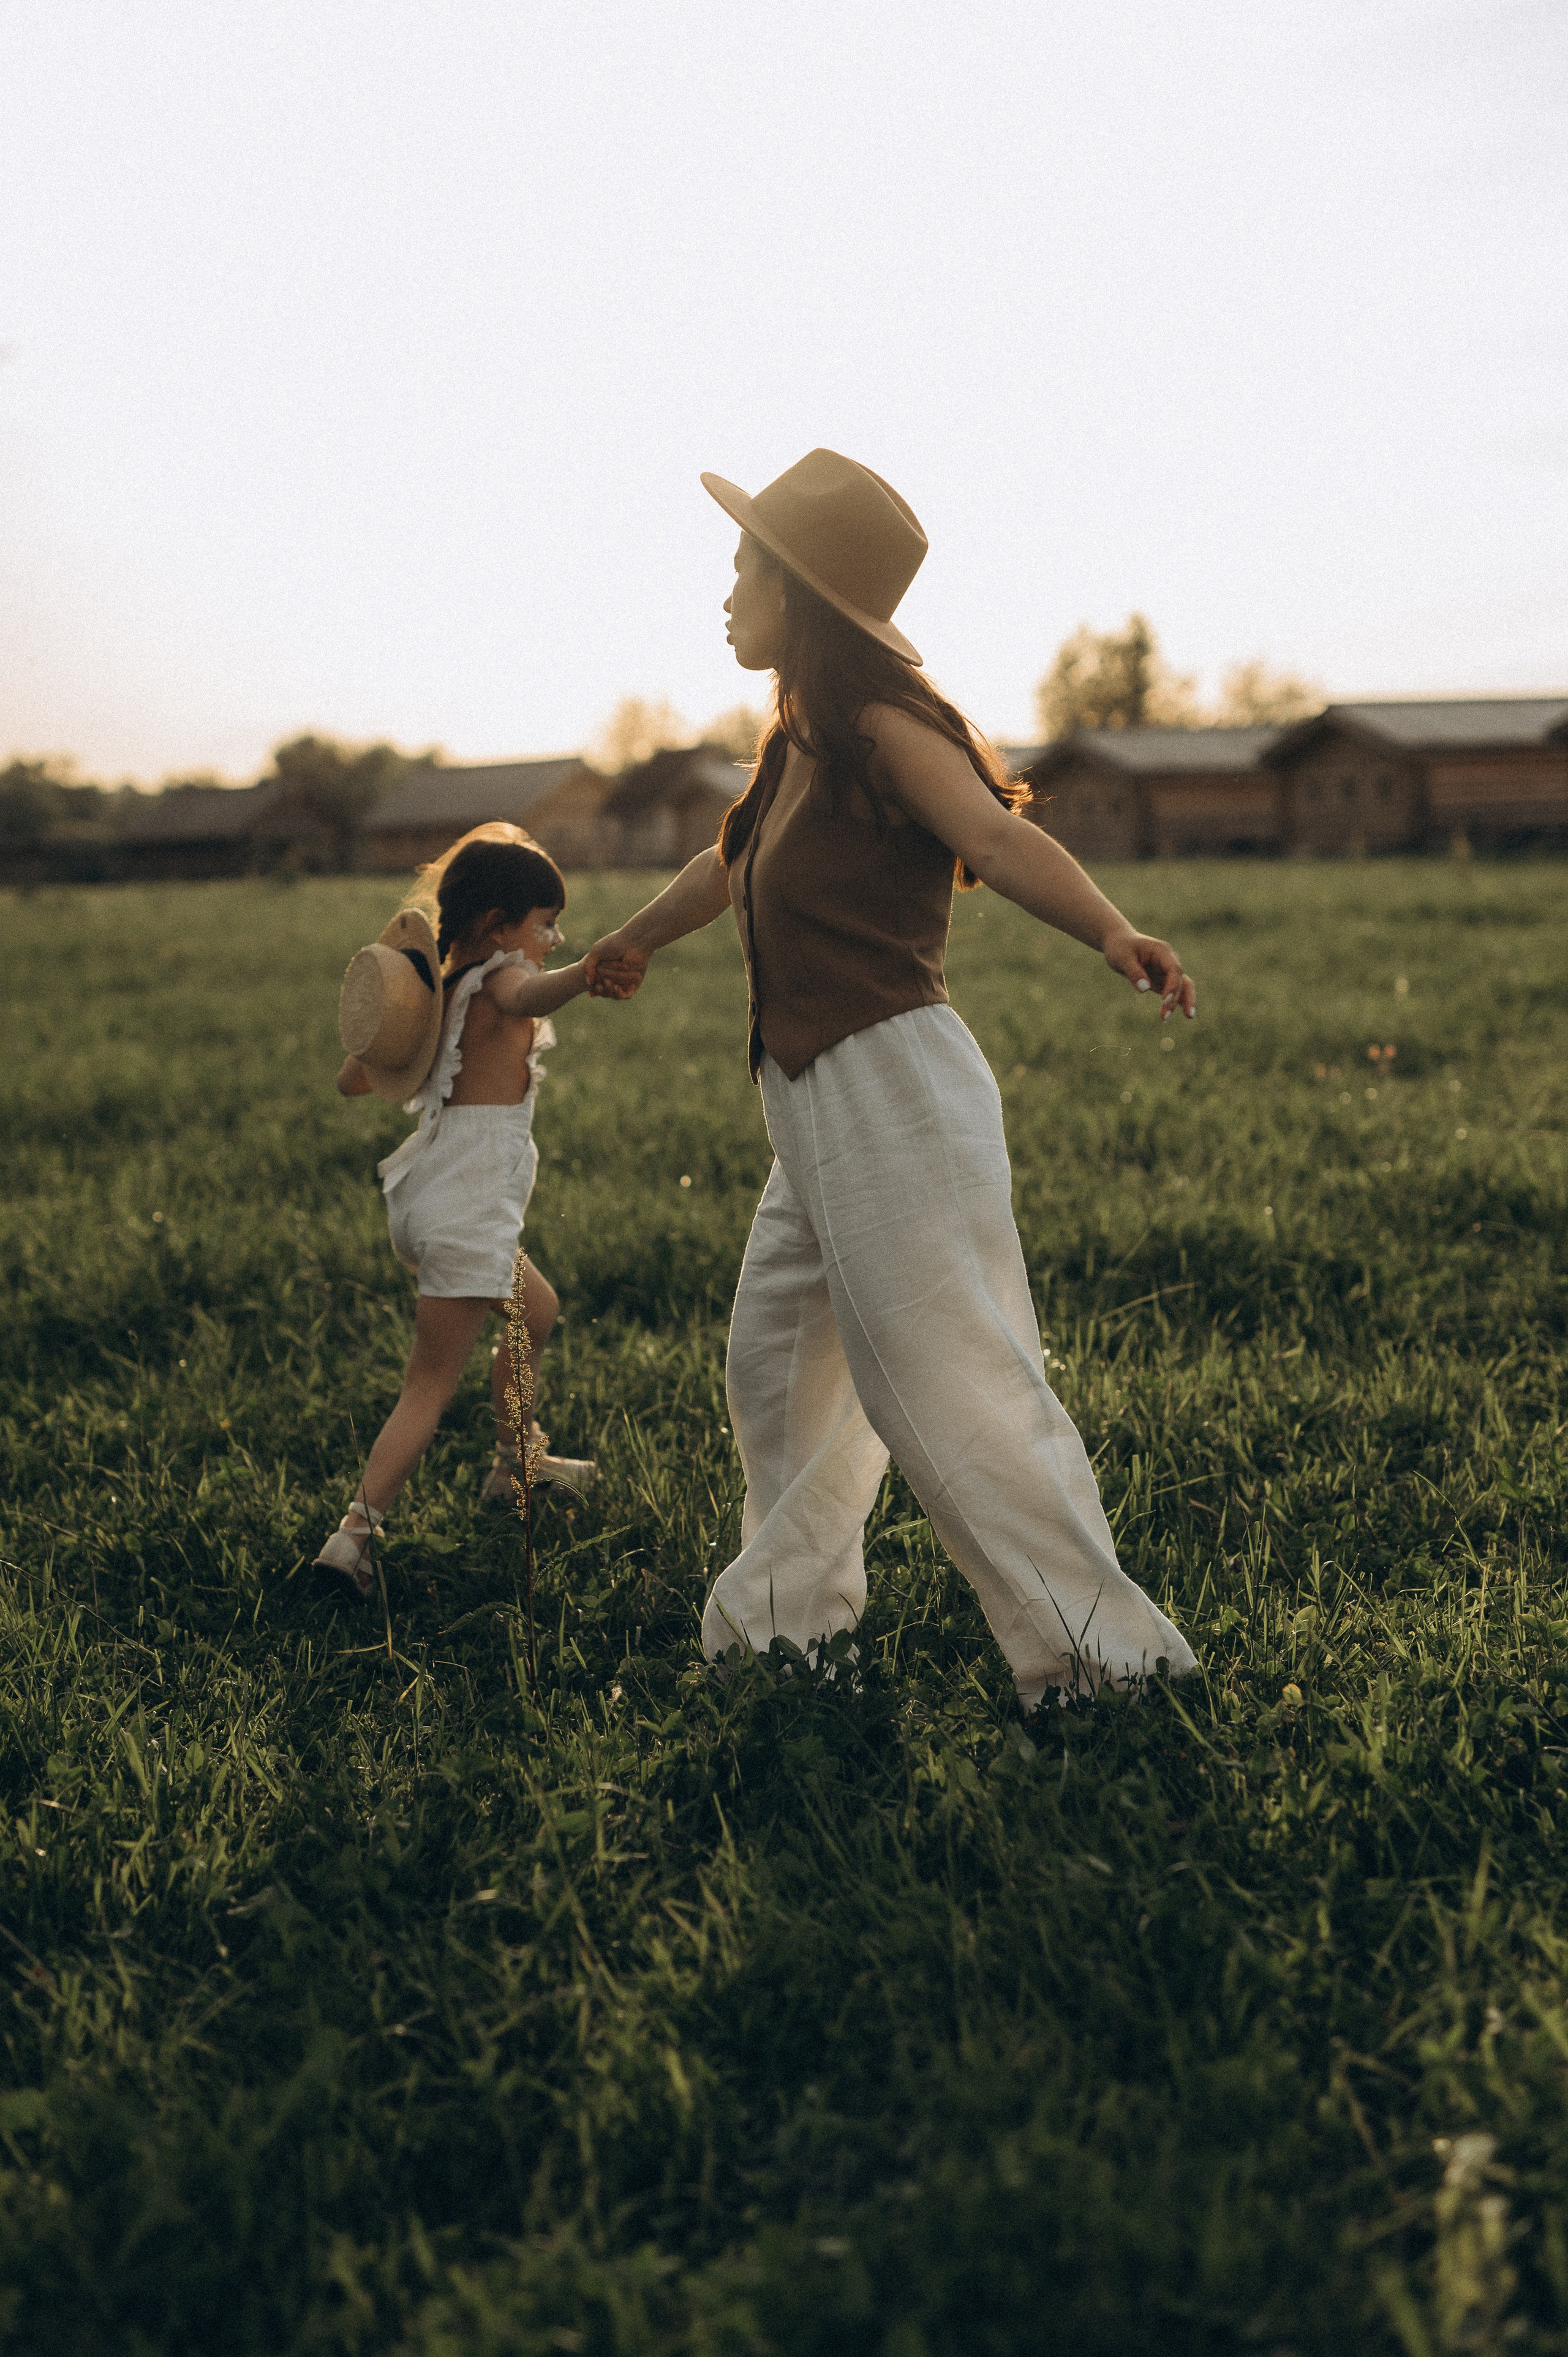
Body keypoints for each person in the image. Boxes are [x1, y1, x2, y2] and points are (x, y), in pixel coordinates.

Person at [586, 448, 1198, 1711]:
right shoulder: (797, 741)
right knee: (776, 1364)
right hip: (811, 1101)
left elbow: (991, 833)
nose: (725, 587)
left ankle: (1108, 1666)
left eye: (745, 563)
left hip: (888, 1086)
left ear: (798, 590)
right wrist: (633, 939)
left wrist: (1110, 932)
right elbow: (724, 866)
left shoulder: (881, 727)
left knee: (949, 1379)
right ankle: (787, 1627)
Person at [315, 825, 606, 1601]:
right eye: (545, 924)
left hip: (430, 1197)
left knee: (533, 1310)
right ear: (498, 927)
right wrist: (586, 973)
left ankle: (518, 1463)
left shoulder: (440, 989)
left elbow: (354, 1077)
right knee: (430, 1382)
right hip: (468, 1209)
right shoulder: (505, 979)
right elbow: (534, 993)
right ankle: (354, 1537)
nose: (553, 938)